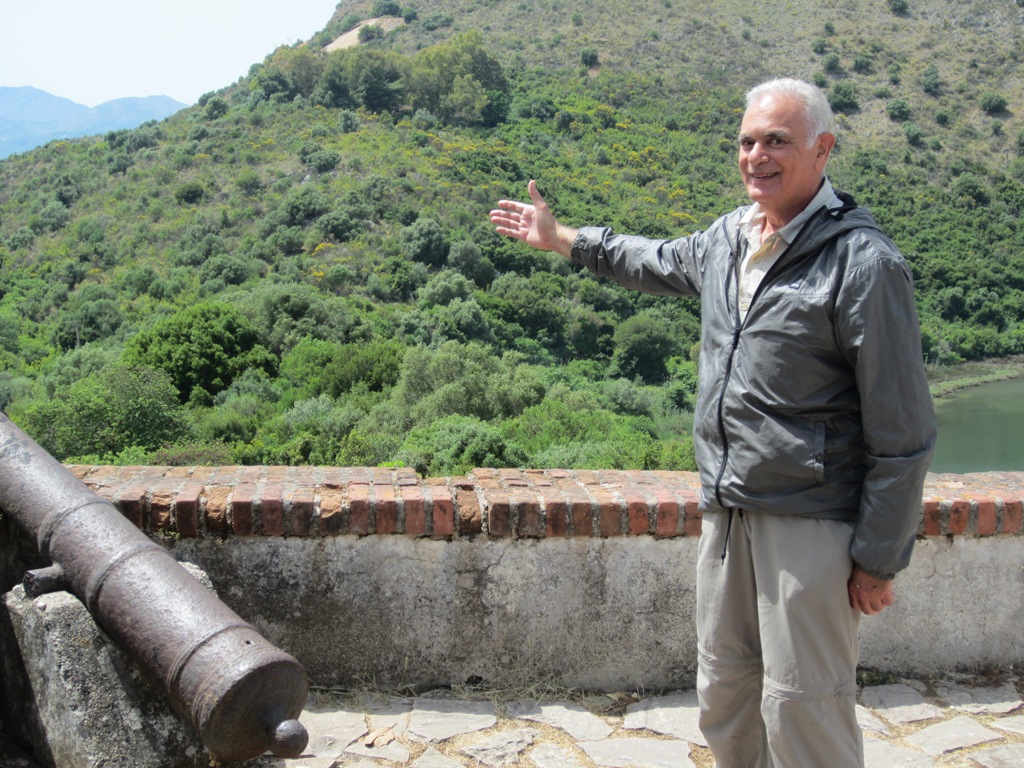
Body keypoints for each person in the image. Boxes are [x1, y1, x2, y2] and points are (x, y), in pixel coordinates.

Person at [490, 78, 936, 767]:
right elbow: (652, 258)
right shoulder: (730, 237)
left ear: (823, 150)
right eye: (747, 141)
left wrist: (879, 558)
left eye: (777, 141)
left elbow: (903, 432)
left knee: (804, 710)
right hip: (726, 513)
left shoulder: (864, 264)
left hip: (810, 522)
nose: (757, 155)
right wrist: (563, 240)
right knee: (725, 696)